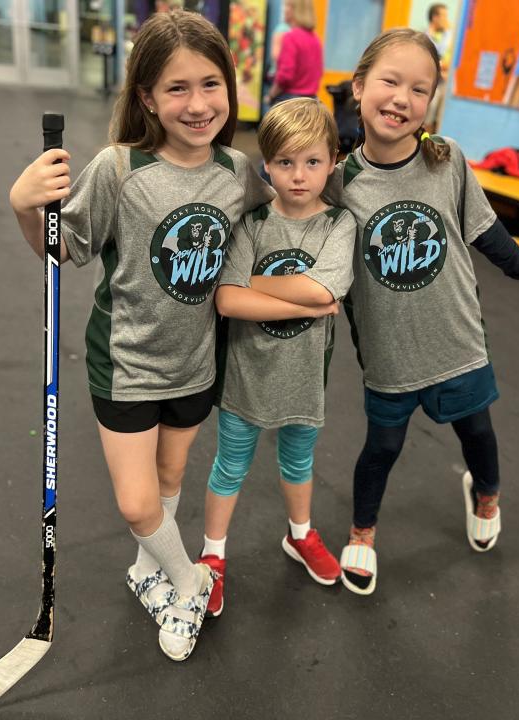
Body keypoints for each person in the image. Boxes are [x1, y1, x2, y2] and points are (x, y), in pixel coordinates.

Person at [8, 10, 273, 660]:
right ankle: (188, 580)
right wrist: (24, 206)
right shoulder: (118, 169)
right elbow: (61, 247)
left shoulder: (239, 172)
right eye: (176, 88)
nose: (198, 103)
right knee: (136, 503)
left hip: (198, 360)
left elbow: (291, 208)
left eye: (211, 84)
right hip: (126, 362)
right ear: (147, 96)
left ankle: (143, 570)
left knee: (170, 473)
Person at [323, 29, 519, 596]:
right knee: (382, 447)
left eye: (420, 89)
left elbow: (485, 230)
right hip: (389, 351)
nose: (402, 99)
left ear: (430, 102)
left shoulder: (447, 160)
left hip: (457, 339)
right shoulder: (339, 183)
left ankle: (485, 492)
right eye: (389, 82)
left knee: (477, 430)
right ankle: (362, 533)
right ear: (359, 88)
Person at [199, 98, 356, 616]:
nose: (298, 175)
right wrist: (309, 297)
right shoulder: (251, 223)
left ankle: (300, 534)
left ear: (333, 161)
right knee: (229, 467)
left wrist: (261, 287)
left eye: (312, 162)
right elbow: (228, 299)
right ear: (266, 164)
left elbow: (327, 286)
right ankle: (213, 556)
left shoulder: (339, 225)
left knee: (298, 461)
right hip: (246, 376)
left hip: (304, 378)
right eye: (285, 162)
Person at [264, 0, 322, 106]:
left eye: (287, 6)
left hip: (289, 102)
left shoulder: (290, 37)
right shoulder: (315, 39)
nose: (284, 10)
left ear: (296, 10)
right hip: (311, 102)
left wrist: (270, 95)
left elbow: (285, 76)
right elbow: (318, 72)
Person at [423, 3, 452, 135]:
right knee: (427, 118)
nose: (447, 19)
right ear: (435, 17)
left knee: (440, 119)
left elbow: (450, 59)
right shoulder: (423, 37)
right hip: (428, 83)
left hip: (444, 83)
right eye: (444, 16)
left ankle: (433, 148)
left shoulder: (448, 37)